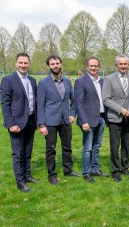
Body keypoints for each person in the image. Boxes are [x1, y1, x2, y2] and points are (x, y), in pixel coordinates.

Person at [37, 55, 80, 185]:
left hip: (65, 120)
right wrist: (42, 125)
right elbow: (40, 105)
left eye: (57, 63)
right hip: (50, 122)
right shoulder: (43, 83)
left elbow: (74, 100)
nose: (55, 66)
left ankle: (68, 170)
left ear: (61, 64)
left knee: (67, 147)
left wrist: (72, 113)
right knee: (51, 149)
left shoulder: (67, 81)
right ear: (49, 66)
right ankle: (52, 175)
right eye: (52, 64)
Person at [0, 53, 38, 193]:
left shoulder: (33, 81)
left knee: (28, 151)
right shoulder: (8, 80)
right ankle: (20, 181)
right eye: (21, 63)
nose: (23, 65)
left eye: (26, 63)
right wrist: (10, 123)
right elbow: (5, 104)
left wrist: (37, 121)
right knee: (18, 153)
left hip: (30, 121)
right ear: (16, 63)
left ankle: (27, 175)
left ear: (29, 64)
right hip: (16, 123)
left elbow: (35, 102)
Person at [102, 54, 129, 182]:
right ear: (116, 65)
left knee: (127, 145)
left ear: (128, 65)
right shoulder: (109, 79)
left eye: (125, 64)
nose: (123, 66)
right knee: (115, 145)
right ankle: (116, 170)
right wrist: (121, 110)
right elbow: (106, 99)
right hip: (115, 118)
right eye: (121, 64)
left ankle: (124, 168)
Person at [74, 57, 109, 183]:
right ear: (87, 67)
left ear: (99, 67)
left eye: (96, 66)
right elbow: (79, 103)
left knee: (97, 146)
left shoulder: (102, 82)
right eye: (91, 66)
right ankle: (86, 172)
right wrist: (83, 121)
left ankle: (95, 169)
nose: (93, 68)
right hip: (88, 120)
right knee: (87, 148)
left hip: (101, 118)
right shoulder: (81, 81)